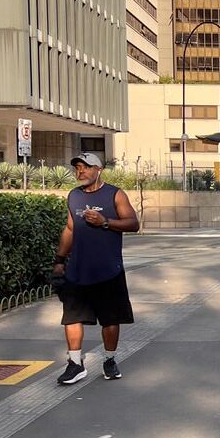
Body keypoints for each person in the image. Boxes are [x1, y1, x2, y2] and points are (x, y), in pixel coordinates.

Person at [53, 152, 139, 385]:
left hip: (107, 270)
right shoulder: (74, 196)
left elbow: (133, 223)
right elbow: (70, 229)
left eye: (86, 167)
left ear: (99, 169)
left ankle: (109, 359)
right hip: (77, 270)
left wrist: (105, 222)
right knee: (71, 319)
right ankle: (75, 363)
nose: (81, 171)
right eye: (78, 168)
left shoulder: (115, 194)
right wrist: (60, 260)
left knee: (110, 320)